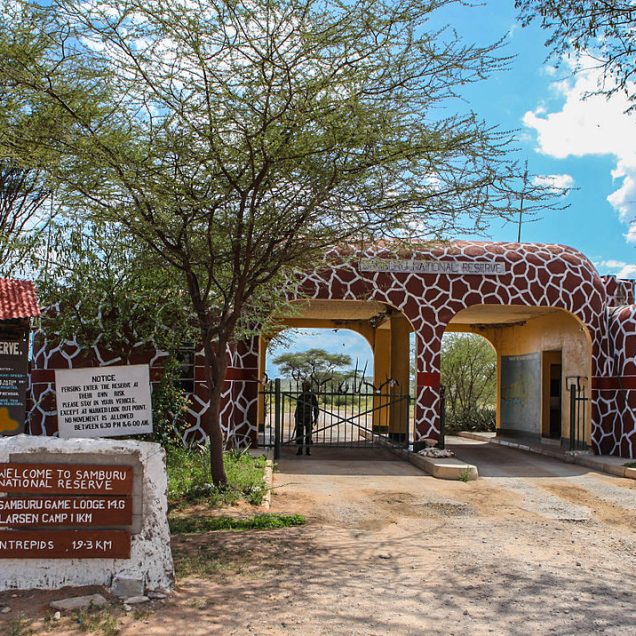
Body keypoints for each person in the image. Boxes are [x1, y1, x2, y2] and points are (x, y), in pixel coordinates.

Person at [294, 380, 319, 456]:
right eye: (302, 386)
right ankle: (300, 449)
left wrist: (316, 417)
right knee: (300, 433)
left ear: (308, 387)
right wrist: (296, 416)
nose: (303, 387)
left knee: (308, 434)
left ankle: (308, 450)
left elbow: (316, 407)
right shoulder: (301, 396)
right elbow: (297, 407)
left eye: (304, 386)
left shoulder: (312, 396)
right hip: (300, 417)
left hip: (308, 417)